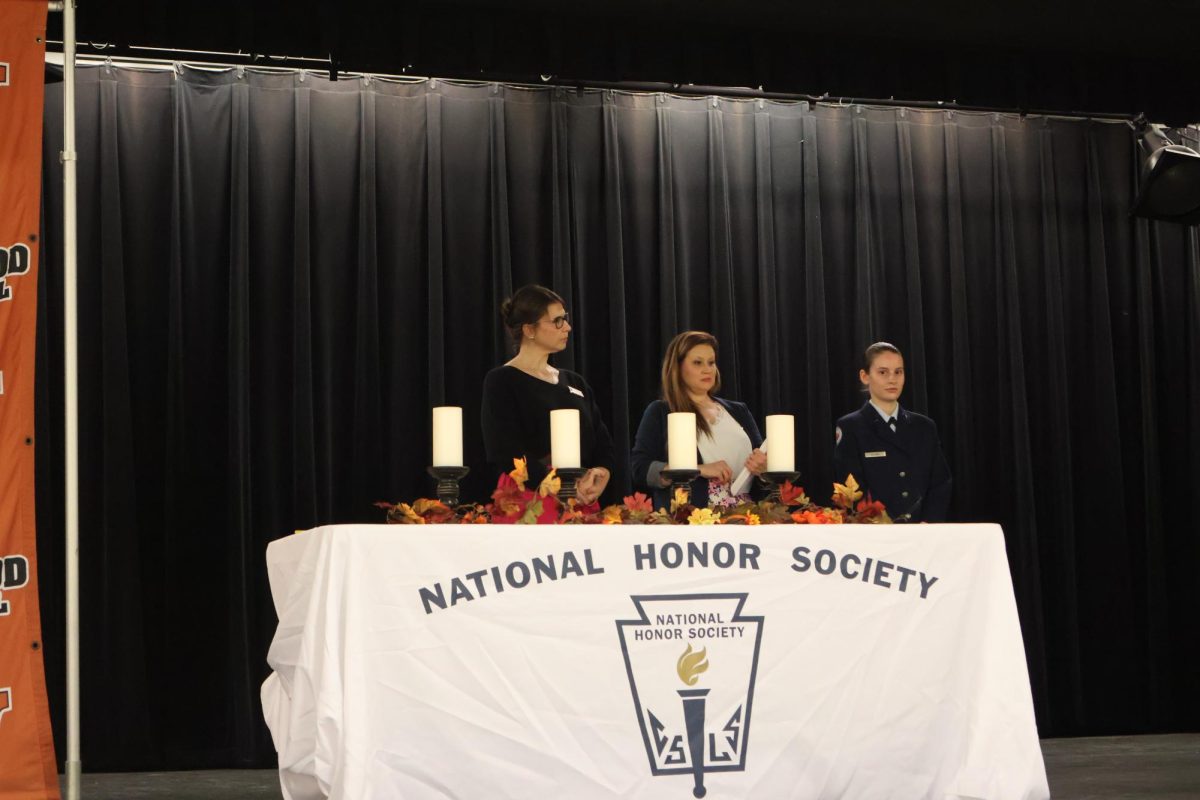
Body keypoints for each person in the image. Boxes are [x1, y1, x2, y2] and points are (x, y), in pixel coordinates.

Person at [480, 285, 615, 505]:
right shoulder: (502, 380)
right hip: (529, 499)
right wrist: (555, 484)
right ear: (529, 330)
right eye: (558, 321)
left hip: (581, 497)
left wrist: (602, 472)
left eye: (566, 319)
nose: (568, 327)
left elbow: (602, 441)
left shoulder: (575, 382)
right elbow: (504, 450)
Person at [631, 331, 767, 510]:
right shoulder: (660, 411)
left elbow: (760, 466)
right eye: (697, 362)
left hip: (747, 515)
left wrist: (763, 470)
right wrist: (699, 469)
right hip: (692, 517)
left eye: (711, 362)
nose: (707, 369)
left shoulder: (739, 411)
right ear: (678, 367)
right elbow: (640, 469)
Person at [833, 342, 952, 522]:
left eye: (898, 372)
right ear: (865, 376)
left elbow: (940, 483)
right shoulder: (852, 426)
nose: (892, 379)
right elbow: (850, 490)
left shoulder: (924, 426)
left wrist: (929, 522)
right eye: (883, 372)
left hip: (923, 531)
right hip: (876, 534)